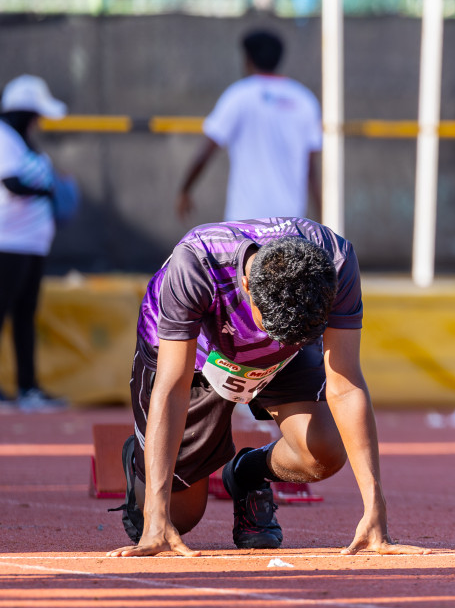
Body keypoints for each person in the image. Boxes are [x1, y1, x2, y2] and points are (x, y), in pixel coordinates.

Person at [110, 218, 423, 557]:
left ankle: (245, 473)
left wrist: (374, 507)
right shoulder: (196, 264)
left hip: (289, 352)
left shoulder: (336, 262)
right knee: (177, 519)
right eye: (268, 327)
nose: (272, 340)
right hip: (196, 354)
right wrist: (156, 515)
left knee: (323, 452)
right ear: (246, 284)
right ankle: (140, 462)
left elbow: (345, 385)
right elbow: (173, 387)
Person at [177, 30, 321, 223]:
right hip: (290, 223)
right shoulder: (304, 100)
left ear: (247, 60)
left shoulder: (238, 96)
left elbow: (206, 151)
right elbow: (311, 169)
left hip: (245, 223)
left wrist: (185, 190)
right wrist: (323, 218)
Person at [0, 75, 71, 412]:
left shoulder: (23, 141)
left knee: (25, 315)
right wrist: (48, 193)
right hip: (7, 242)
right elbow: (11, 182)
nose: (39, 120)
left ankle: (28, 388)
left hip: (31, 243)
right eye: (35, 113)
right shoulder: (3, 137)